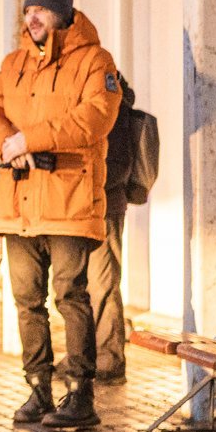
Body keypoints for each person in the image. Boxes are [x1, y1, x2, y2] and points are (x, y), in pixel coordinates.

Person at [0, 0, 121, 430]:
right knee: (25, 298)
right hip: (19, 202)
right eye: (27, 11)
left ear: (63, 14)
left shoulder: (96, 61)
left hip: (69, 198)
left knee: (70, 295)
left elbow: (95, 119)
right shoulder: (15, 62)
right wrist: (7, 145)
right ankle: (38, 389)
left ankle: (80, 393)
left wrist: (29, 139)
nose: (31, 17)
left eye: (40, 9)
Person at [90, 75, 140, 386]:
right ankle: (86, 354)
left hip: (105, 207)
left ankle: (109, 358)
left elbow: (118, 165)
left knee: (103, 283)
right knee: (83, 286)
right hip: (80, 209)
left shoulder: (115, 112)